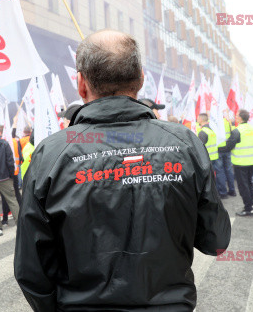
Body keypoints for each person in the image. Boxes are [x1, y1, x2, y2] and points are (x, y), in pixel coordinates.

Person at [14, 29, 231, 311]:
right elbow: (216, 240)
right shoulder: (185, 143)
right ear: (140, 79)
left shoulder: (51, 153)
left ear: (81, 84)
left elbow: (32, 267)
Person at [218, 109, 253, 216]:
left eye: (236, 115)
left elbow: (228, 146)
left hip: (241, 162)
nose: (235, 117)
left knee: (243, 186)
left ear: (240, 118)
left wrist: (216, 149)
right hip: (252, 161)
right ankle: (251, 204)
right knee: (249, 184)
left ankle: (248, 208)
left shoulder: (237, 131)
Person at [196, 113, 223, 197]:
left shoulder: (202, 132)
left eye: (197, 118)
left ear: (200, 119)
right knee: (218, 175)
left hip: (207, 159)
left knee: (210, 179)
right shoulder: (211, 130)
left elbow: (200, 147)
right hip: (214, 157)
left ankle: (213, 195)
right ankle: (221, 192)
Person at [215, 117, 237, 198]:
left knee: (220, 171)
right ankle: (232, 190)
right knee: (228, 169)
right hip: (227, 148)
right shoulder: (227, 121)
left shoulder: (214, 121)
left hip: (218, 149)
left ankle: (223, 192)